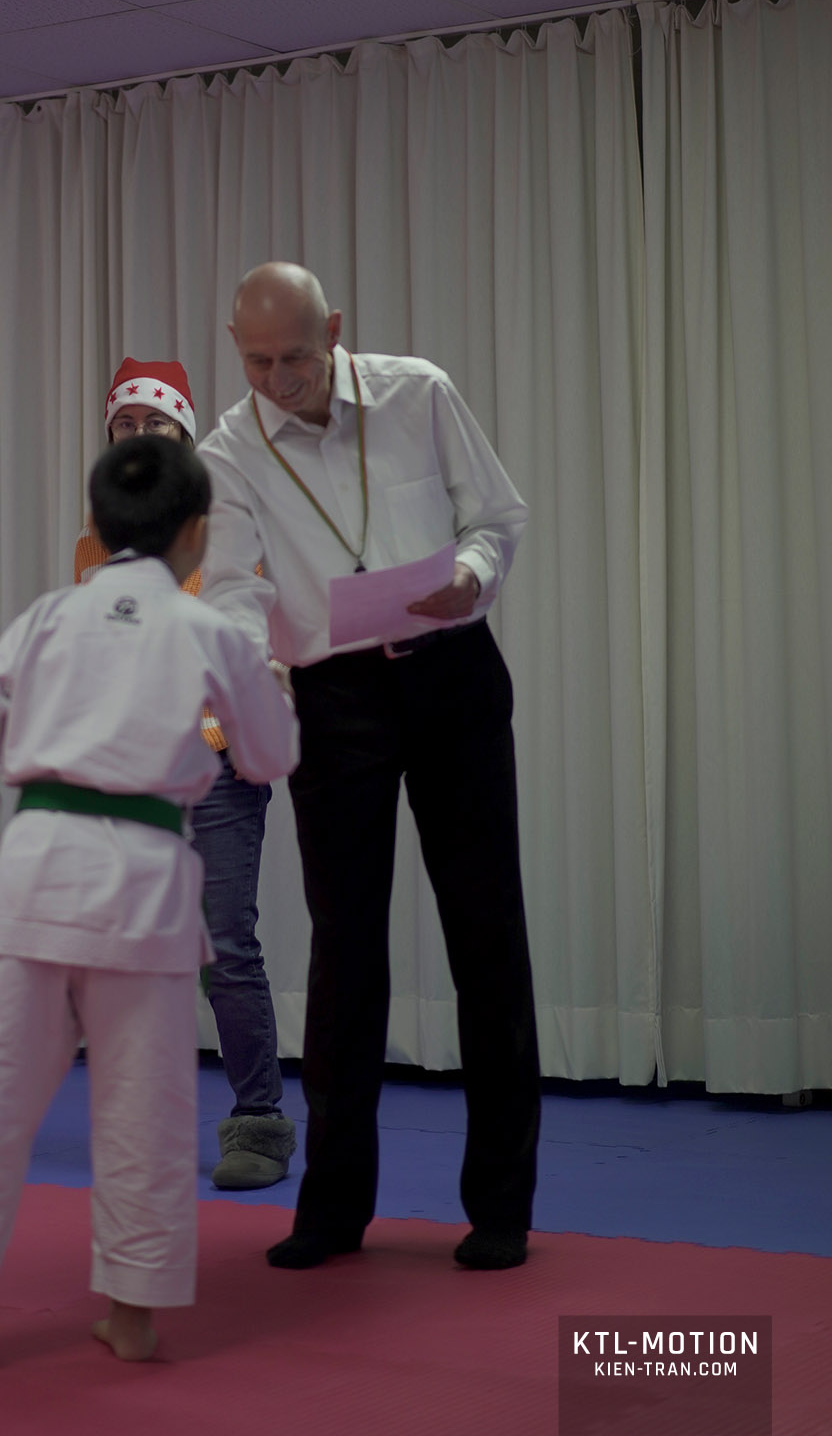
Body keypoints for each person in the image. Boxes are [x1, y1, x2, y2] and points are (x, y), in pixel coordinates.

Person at [0, 434, 298, 1364]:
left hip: (34, 872)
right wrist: (274, 695)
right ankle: (131, 1312)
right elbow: (268, 757)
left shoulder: (45, 617)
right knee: (143, 1109)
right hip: (145, 886)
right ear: (199, 532)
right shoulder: (207, 629)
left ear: (93, 522)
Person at [197, 263, 540, 1274]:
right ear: (235, 347)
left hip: (452, 671)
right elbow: (229, 587)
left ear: (335, 330)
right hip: (333, 697)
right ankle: (334, 1208)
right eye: (258, 361)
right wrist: (249, 669)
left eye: (296, 358)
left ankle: (501, 1204)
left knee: (486, 932)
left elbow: (496, 519)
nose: (279, 380)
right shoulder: (228, 449)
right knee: (344, 950)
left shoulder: (416, 392)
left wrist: (470, 574)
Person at [73, 358, 297, 1191]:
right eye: (124, 425)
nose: (139, 436)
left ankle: (260, 1123)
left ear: (185, 434)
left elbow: (258, 629)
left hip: (217, 764)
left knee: (224, 948)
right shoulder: (95, 540)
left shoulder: (227, 517)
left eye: (155, 424)